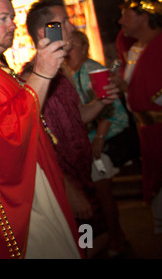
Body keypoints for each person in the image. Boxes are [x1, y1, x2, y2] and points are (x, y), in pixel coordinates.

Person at [0, 0, 82, 259]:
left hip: (30, 179)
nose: (13, 24)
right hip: (12, 196)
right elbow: (4, 134)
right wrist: (43, 73)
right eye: (3, 18)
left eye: (12, 17)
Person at [62, 29, 131, 256]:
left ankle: (113, 242)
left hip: (106, 138)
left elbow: (107, 109)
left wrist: (98, 142)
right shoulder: (71, 72)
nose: (68, 50)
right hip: (89, 141)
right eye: (66, 46)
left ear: (84, 48)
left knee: (101, 193)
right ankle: (113, 237)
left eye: (73, 46)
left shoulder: (91, 70)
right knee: (95, 196)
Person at [113, 0, 162, 234]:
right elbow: (139, 89)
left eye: (127, 15)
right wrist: (124, 89)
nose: (121, 21)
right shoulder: (133, 50)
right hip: (146, 132)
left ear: (144, 17)